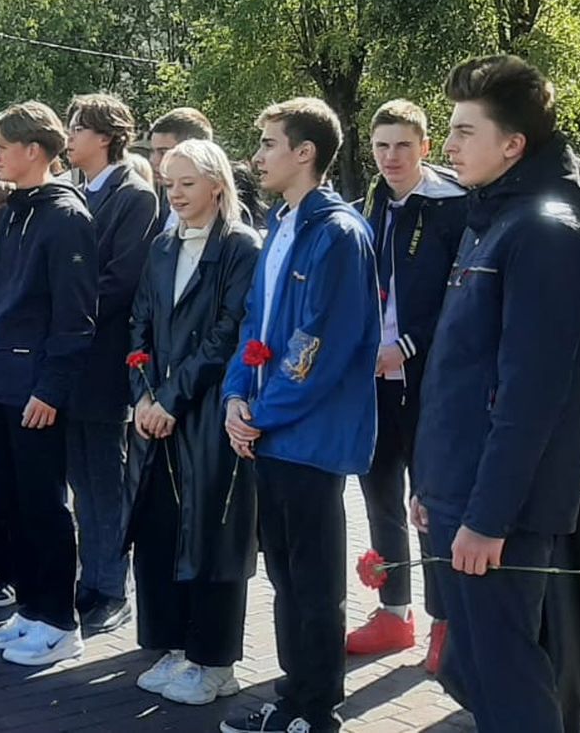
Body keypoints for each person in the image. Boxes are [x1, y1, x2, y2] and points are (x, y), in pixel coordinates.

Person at [414, 54, 580, 733]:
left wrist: (489, 517)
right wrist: (431, 484)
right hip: (458, 494)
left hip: (497, 512)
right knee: (476, 670)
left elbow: (532, 397)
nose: (448, 144)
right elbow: (459, 370)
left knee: (508, 677)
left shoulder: (545, 231)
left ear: (513, 144)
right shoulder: (494, 218)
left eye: (465, 130)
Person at [217, 97, 381, 733]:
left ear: (305, 152)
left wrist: (261, 411)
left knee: (313, 583)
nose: (257, 157)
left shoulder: (338, 233)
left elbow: (321, 344)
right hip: (270, 431)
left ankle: (316, 710)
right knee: (286, 576)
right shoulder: (282, 223)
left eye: (269, 144)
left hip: (307, 437)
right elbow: (255, 324)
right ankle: (293, 697)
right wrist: (236, 396)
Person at [0, 101, 98, 667]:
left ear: (33, 150)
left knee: (43, 506)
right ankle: (31, 609)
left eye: (2, 147)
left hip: (32, 387)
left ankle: (60, 622)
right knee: (9, 504)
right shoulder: (14, 209)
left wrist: (50, 388)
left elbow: (75, 316)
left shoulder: (66, 216)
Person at [127, 138, 262, 706]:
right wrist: (142, 395)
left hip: (208, 413)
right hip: (157, 414)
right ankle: (175, 645)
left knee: (213, 536)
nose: (175, 194)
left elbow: (227, 333)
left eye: (186, 183)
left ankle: (215, 660)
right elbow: (139, 323)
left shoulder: (240, 247)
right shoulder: (163, 245)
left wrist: (171, 399)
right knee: (160, 531)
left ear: (216, 183)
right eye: (169, 183)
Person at [349, 100, 468, 669]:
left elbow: (461, 298)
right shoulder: (368, 207)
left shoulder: (455, 207)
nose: (390, 157)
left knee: (431, 505)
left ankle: (445, 623)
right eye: (381, 146)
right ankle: (393, 614)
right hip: (373, 381)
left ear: (424, 146)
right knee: (380, 501)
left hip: (429, 383)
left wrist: (410, 346)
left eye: (402, 145)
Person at [63, 92, 161, 635]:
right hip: (70, 358)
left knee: (105, 479)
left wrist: (63, 309)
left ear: (105, 137)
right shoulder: (74, 191)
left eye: (78, 128)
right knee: (80, 479)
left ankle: (111, 587)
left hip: (103, 358)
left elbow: (121, 279)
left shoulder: (134, 196)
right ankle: (90, 578)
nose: (69, 137)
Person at [148, 108, 214, 230]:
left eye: (164, 152)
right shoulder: (165, 203)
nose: (153, 160)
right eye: (152, 151)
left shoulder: (224, 215)